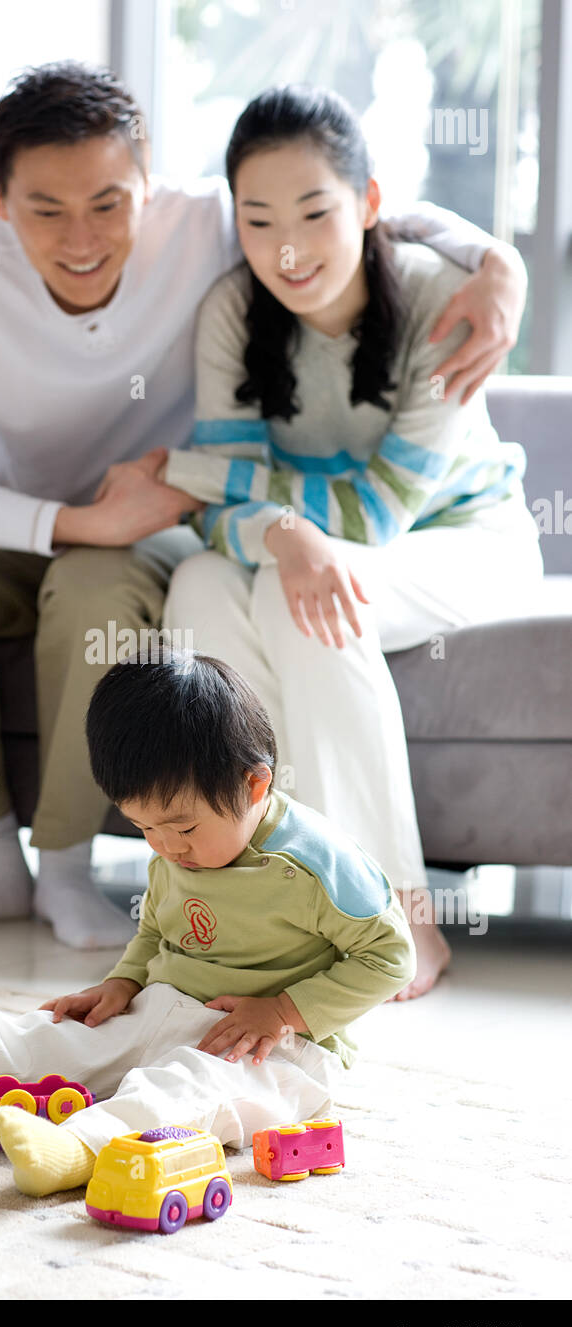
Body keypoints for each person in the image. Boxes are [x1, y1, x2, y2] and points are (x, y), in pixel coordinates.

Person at [0, 60, 529, 951]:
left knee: (185, 594)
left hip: (225, 530)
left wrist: (498, 261)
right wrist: (88, 521)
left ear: (148, 185)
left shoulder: (217, 226)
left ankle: (352, 906)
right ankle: (17, 865)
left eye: (108, 203)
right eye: (44, 209)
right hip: (63, 523)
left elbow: (335, 201)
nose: (81, 237)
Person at [100, 84, 544, 996]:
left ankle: (393, 916)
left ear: (370, 204)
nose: (288, 247)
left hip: (461, 538)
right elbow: (228, 526)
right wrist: (279, 526)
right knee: (201, 591)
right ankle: (262, 909)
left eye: (314, 210)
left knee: (298, 597)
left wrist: (190, 476)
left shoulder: (441, 301)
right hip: (303, 545)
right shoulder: (232, 311)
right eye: (259, 221)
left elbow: (378, 513)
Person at [0, 652, 414, 1197]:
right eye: (143, 829)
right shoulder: (176, 845)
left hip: (276, 1051)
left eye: (182, 827)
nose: (165, 847)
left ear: (253, 786)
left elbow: (390, 957)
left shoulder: (316, 864)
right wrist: (123, 983)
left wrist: (280, 1011)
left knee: (185, 1093)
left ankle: (77, 1150)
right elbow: (157, 932)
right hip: (165, 1007)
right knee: (32, 1036)